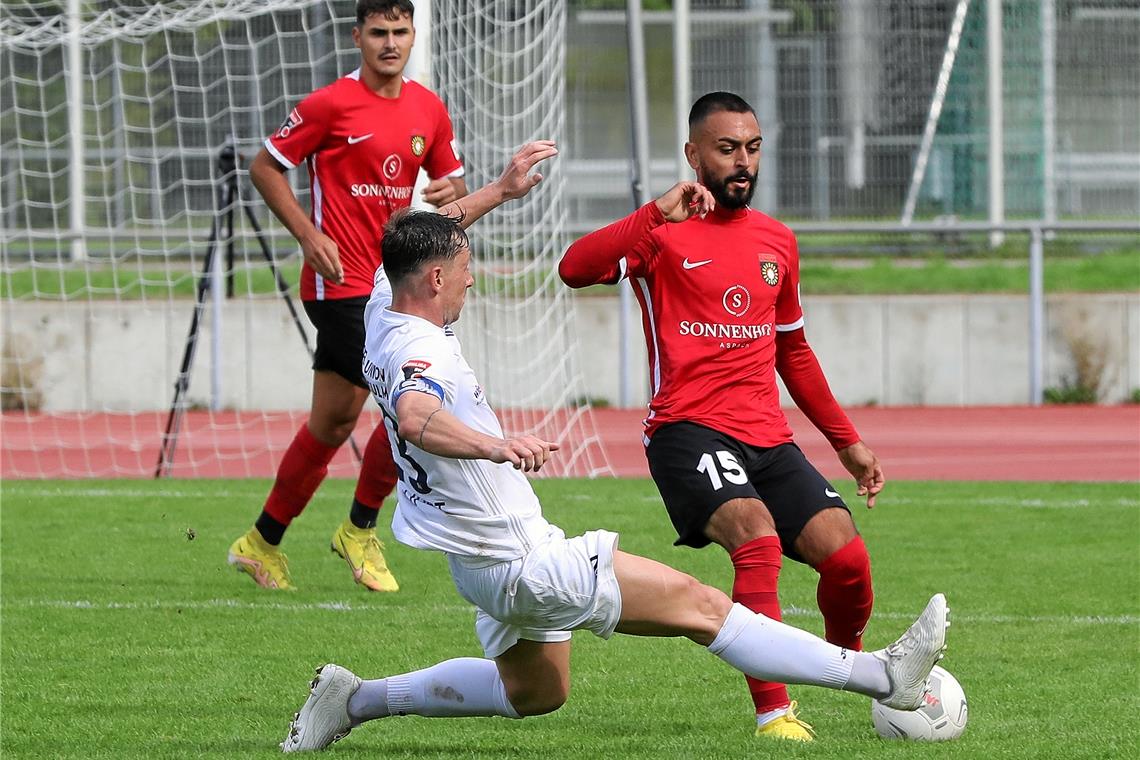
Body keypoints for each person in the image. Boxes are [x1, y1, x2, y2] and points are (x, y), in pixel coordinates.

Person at [278, 207, 949, 752]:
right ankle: (883, 676)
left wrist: (501, 191)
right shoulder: (419, 349)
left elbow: (431, 225)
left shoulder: (379, 302)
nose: (470, 282)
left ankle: (353, 699)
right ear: (431, 278)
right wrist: (496, 443)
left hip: (477, 561)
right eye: (463, 271)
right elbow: (415, 413)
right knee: (704, 608)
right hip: (524, 563)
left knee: (536, 692)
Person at [557, 91, 886, 741]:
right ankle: (774, 714)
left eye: (752, 148)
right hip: (686, 430)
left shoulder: (777, 241)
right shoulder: (663, 233)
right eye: (727, 148)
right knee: (756, 538)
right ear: (694, 154)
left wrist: (848, 444)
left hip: (768, 438)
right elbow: (574, 268)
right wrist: (653, 213)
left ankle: (844, 670)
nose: (743, 162)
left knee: (849, 564)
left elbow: (793, 348)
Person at [227, 0, 468, 592]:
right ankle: (360, 528)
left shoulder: (427, 109)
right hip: (338, 284)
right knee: (402, 403)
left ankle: (259, 543)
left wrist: (450, 187)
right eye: (379, 32)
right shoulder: (328, 104)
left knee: (332, 423)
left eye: (401, 32)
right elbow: (265, 167)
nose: (391, 42)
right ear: (357, 36)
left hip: (394, 283)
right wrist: (308, 235)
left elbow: (452, 182)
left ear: (413, 36)